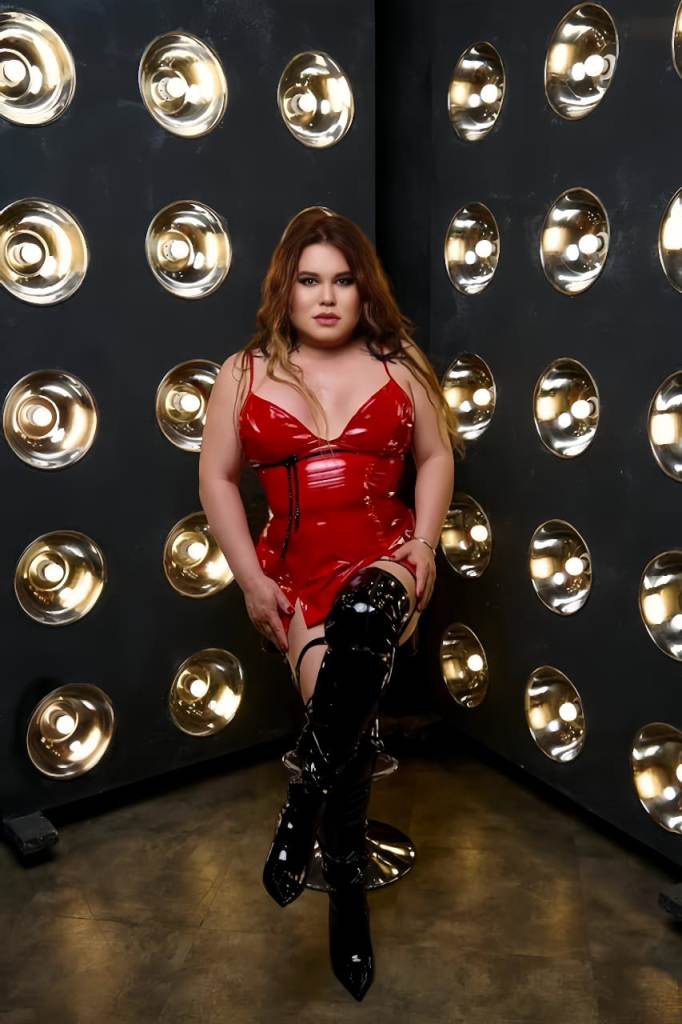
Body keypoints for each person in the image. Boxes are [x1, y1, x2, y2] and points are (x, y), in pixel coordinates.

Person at [198, 207, 462, 1001]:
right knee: (338, 716)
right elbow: (216, 479)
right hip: (294, 573)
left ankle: (302, 812)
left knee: (365, 619)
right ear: (285, 289)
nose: (326, 296)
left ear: (363, 289)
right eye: (309, 280)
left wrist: (424, 546)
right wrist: (251, 580)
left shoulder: (400, 364)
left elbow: (436, 455)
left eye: (343, 281)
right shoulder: (242, 373)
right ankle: (345, 874)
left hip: (386, 558)